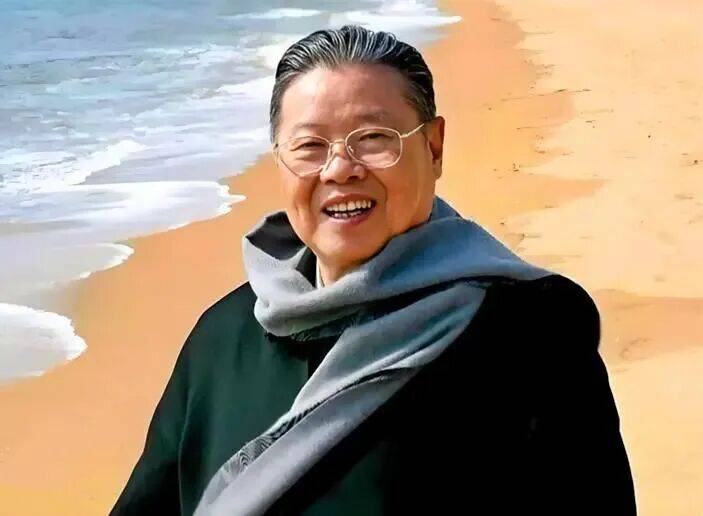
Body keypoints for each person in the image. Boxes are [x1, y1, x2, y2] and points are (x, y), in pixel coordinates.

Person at [110, 24, 637, 515]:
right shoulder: (224, 336)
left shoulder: (530, 329)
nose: (340, 169)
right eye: (309, 146)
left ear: (434, 148)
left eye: (373, 139)